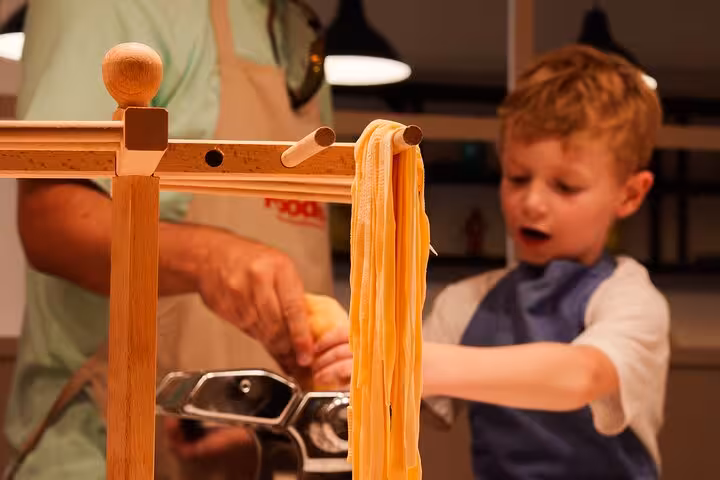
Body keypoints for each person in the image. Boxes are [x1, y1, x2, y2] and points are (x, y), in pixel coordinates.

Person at [3, 1, 351, 479]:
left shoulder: (296, 32)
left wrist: (277, 418)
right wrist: (210, 258)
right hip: (105, 448)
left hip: (262, 460)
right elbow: (50, 219)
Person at [420, 44, 670, 479]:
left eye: (566, 186)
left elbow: (582, 377)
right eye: (516, 177)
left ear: (630, 194)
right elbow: (387, 407)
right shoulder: (465, 303)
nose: (531, 203)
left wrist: (411, 363)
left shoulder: (630, 297)